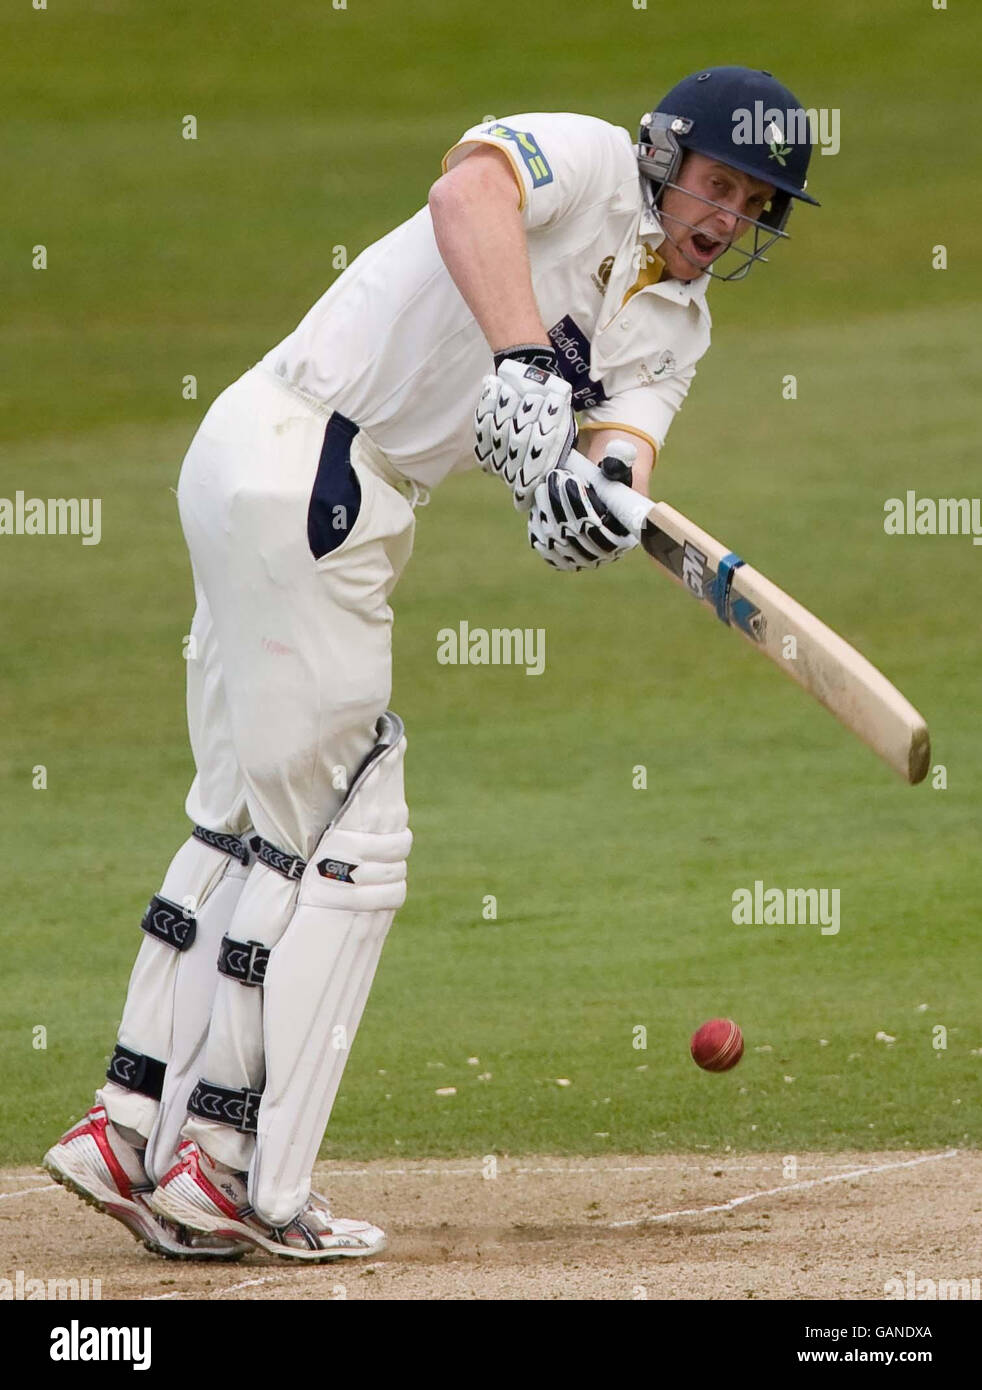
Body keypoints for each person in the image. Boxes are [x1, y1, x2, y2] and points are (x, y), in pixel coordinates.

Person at [43, 66, 818, 1262]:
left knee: (243, 817)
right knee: (348, 846)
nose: (727, 218)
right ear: (668, 157)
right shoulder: (594, 160)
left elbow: (620, 450)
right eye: (719, 183)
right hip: (311, 459)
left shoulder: (676, 326)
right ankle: (244, 1174)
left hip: (279, 471)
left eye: (756, 204)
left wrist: (593, 505)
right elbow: (467, 196)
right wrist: (523, 358)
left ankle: (131, 1131)